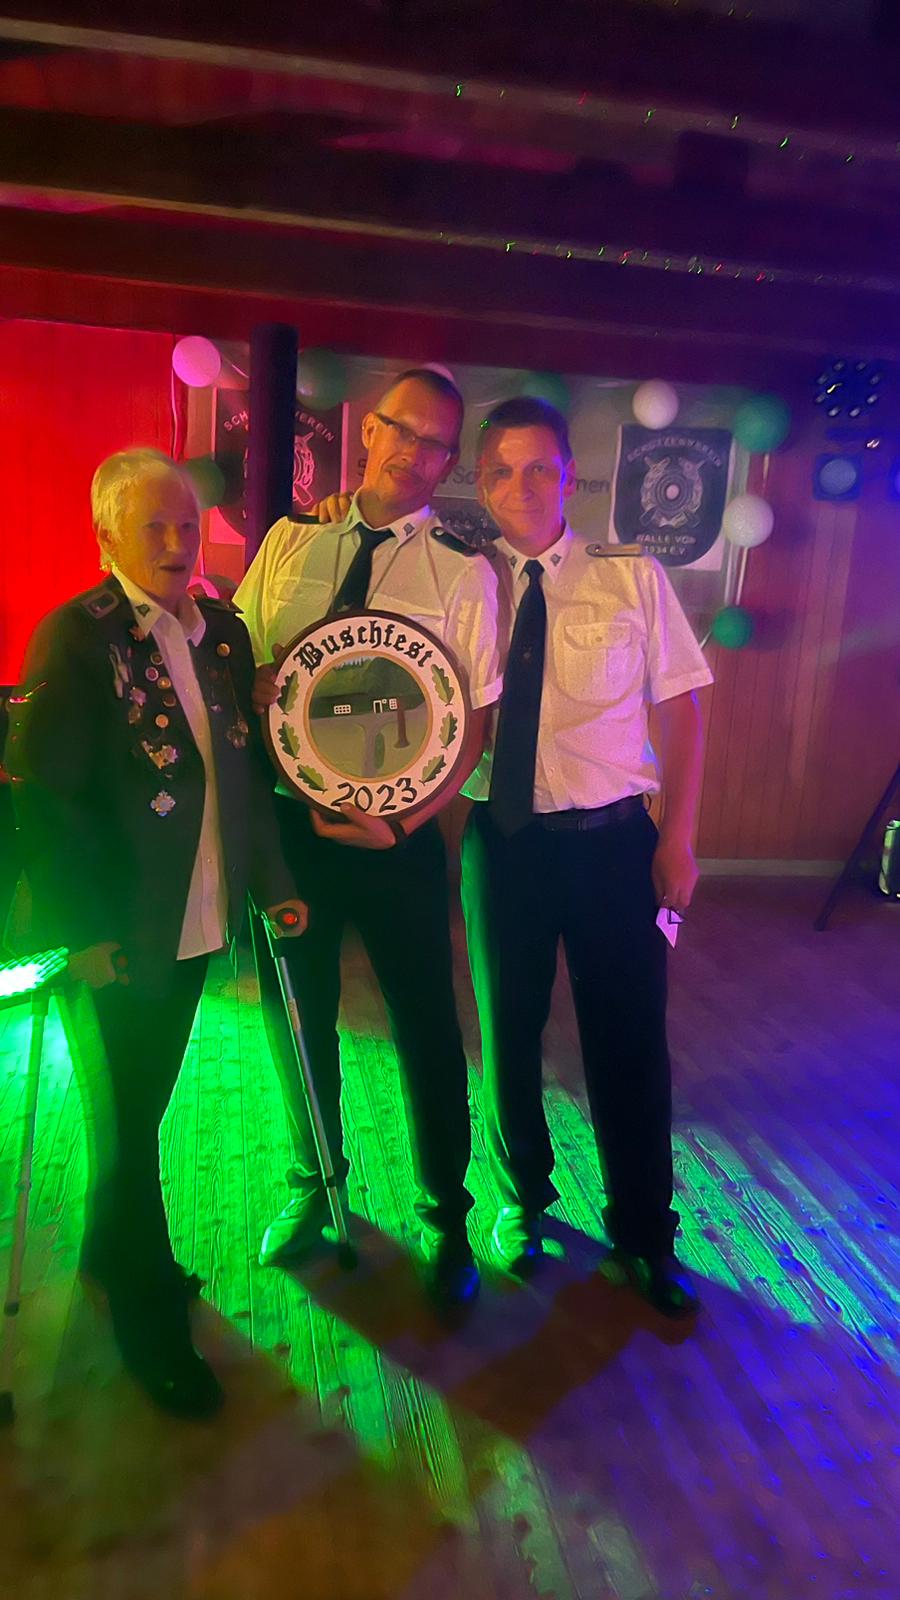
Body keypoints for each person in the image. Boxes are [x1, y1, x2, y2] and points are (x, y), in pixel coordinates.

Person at [4, 449, 307, 1416]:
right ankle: (147, 1313)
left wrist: (273, 884)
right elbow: (46, 802)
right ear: (108, 537)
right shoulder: (75, 638)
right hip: (123, 931)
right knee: (132, 1125)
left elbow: (241, 775)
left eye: (187, 525)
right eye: (155, 527)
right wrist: (82, 934)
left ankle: (108, 1248)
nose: (178, 543)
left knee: (142, 1107)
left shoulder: (223, 633)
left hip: (199, 913)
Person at [236, 369, 502, 1314]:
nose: (415, 454)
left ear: (448, 461)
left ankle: (444, 1214)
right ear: (368, 431)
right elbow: (243, 652)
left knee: (427, 1024)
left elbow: (474, 723)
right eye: (403, 431)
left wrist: (405, 823)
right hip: (291, 830)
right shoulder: (288, 541)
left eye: (436, 444)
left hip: (400, 838)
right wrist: (254, 682)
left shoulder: (463, 571)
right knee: (296, 1011)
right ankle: (316, 1182)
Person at [460, 397, 713, 1316]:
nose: (522, 486)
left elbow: (681, 709)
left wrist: (678, 837)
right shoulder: (460, 582)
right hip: (506, 843)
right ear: (480, 482)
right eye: (502, 470)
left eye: (540, 467)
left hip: (614, 846)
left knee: (630, 1042)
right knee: (508, 1034)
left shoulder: (630, 575)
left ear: (570, 475)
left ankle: (645, 1233)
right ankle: (524, 1201)